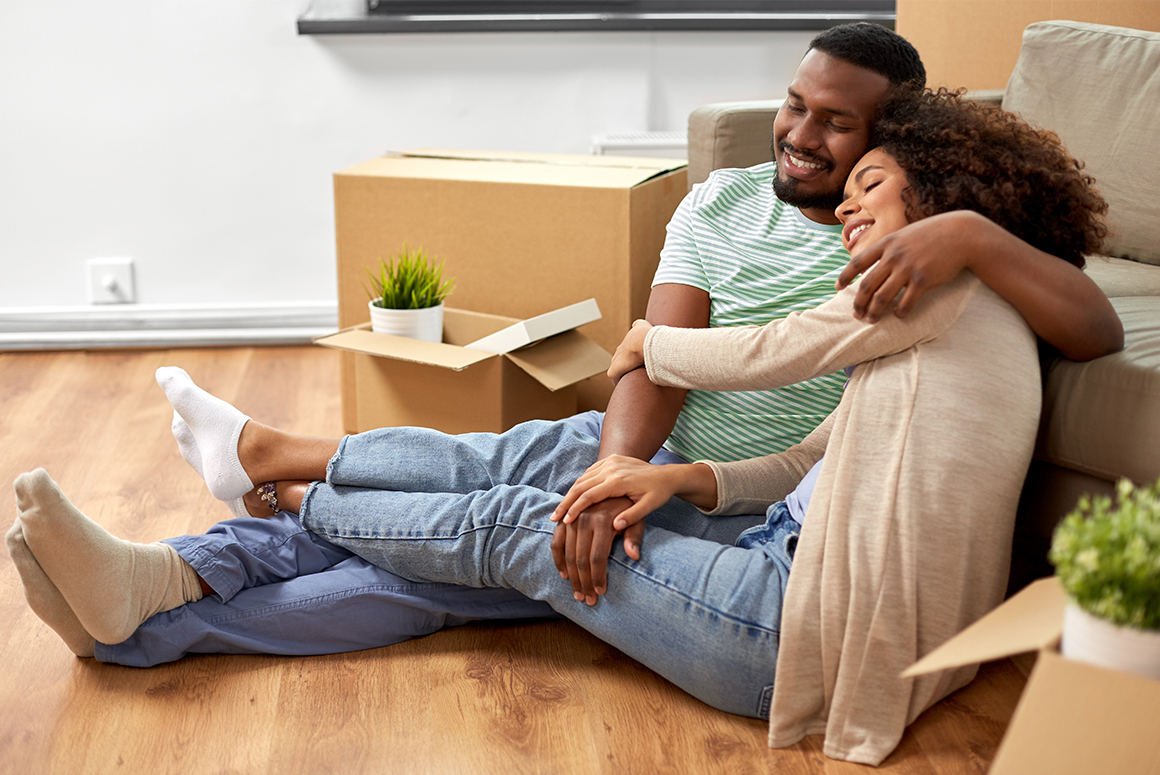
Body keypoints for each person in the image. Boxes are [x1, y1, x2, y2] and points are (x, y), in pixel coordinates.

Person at [7, 23, 1120, 668]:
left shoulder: (912, 254)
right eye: (794, 105)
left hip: (749, 508)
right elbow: (653, 358)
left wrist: (956, 231)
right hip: (668, 452)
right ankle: (192, 545)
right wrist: (614, 464)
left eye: (837, 124)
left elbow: (1082, 322)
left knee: (457, 562)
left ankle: (196, 555)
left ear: (897, 137)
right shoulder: (720, 200)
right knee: (488, 482)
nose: (799, 133)